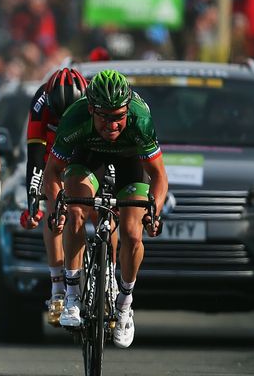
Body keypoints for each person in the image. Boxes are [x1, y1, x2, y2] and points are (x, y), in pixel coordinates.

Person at [41, 69, 167, 348]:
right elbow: (52, 173)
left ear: (127, 110)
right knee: (75, 212)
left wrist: (154, 210)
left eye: (118, 116)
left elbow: (159, 176)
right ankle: (72, 296)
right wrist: (57, 206)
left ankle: (124, 305)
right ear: (90, 109)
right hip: (88, 157)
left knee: (133, 233)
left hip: (129, 160)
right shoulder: (74, 117)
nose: (112, 124)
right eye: (105, 117)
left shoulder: (139, 118)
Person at [19, 67, 88, 327]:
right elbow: (35, 157)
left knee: (101, 207)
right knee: (53, 209)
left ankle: (110, 280)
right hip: (52, 152)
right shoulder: (40, 102)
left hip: (86, 148)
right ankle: (58, 287)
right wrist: (32, 203)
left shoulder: (92, 98)